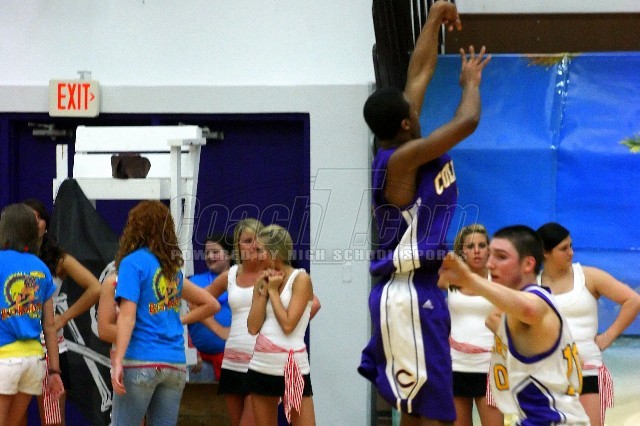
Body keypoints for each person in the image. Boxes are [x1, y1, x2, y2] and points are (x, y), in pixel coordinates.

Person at [358, 1, 491, 424]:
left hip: (421, 290)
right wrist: (470, 83)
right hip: (408, 293)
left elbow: (419, 72)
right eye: (412, 110)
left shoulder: (404, 139)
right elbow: (467, 122)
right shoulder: (401, 160)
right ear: (405, 124)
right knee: (432, 412)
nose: (417, 108)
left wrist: (435, 15)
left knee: (422, 410)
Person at [438, 225, 589, 425]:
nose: (490, 264)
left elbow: (530, 310)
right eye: (491, 255)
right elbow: (578, 362)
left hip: (555, 420)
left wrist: (470, 279)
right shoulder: (518, 307)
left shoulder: (536, 300)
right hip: (536, 417)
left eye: (501, 257)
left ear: (528, 264)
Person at [110, 200, 220, 426]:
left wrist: (118, 360)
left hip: (140, 359)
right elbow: (211, 304)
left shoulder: (132, 263)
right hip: (174, 363)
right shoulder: (172, 270)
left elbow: (127, 316)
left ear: (135, 228)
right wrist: (179, 321)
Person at [537, 222, 640, 426]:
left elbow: (633, 300)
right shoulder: (531, 285)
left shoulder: (588, 276)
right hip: (546, 374)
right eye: (564, 248)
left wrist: (607, 337)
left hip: (587, 370)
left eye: (571, 246)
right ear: (545, 253)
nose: (571, 252)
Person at [22, 198, 101, 426]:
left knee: (53, 420)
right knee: (12, 419)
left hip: (50, 349)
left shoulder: (58, 258)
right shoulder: (9, 257)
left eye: (39, 217)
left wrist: (64, 317)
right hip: (17, 347)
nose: (34, 222)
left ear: (46, 225)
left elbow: (95, 288)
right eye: (29, 217)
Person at [0, 203, 64, 425]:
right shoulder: (41, 268)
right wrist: (54, 371)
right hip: (34, 362)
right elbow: (50, 325)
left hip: (4, 359)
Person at [246, 224, 316, 426]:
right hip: (261, 366)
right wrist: (262, 291)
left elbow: (288, 325)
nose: (255, 256)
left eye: (260, 251)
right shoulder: (262, 280)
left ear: (275, 252)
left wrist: (274, 292)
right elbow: (252, 328)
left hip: (293, 368)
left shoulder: (300, 278)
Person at [206, 218, 267, 426]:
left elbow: (311, 304)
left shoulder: (274, 272)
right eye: (248, 241)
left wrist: (283, 333)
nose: (254, 245)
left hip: (263, 363)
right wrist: (218, 329)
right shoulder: (230, 275)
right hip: (232, 361)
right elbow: (198, 301)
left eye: (258, 239)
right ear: (238, 247)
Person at [448, 224, 502, 426]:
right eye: (470, 247)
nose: (477, 251)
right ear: (462, 251)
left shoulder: (499, 282)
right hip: (456, 365)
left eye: (481, 245)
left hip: (489, 366)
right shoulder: (450, 280)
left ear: (489, 249)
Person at [188, 234, 233, 383]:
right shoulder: (193, 283)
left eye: (215, 252)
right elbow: (179, 321)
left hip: (236, 361)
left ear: (230, 254)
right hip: (200, 363)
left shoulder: (242, 281)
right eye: (207, 253)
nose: (209, 256)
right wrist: (191, 351)